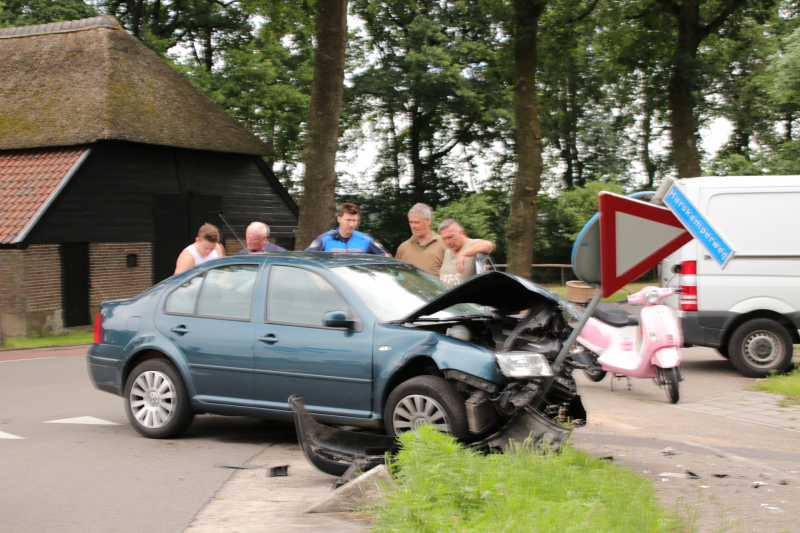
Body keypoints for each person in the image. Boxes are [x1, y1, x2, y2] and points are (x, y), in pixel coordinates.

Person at [306, 203, 390, 255]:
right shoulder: (325, 239)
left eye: (354, 220)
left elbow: (386, 259)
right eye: (348, 220)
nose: (351, 224)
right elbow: (306, 259)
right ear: (339, 219)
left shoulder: (365, 240)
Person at [438, 219, 495, 288]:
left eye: (450, 237)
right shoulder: (447, 251)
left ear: (461, 233)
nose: (448, 242)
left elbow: (488, 245)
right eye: (444, 239)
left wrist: (463, 253)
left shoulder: (472, 244)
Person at [395, 203, 446, 276]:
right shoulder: (403, 248)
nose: (413, 226)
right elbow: (396, 274)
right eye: (411, 222)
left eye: (417, 222)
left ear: (427, 221)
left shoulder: (444, 243)